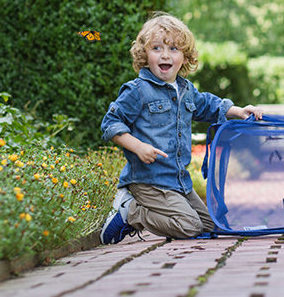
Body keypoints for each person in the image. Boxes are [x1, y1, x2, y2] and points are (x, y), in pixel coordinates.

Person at [99, 12, 263, 243]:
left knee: (211, 226)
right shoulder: (138, 90)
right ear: (144, 54)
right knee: (189, 226)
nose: (165, 55)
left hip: (178, 181)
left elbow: (208, 105)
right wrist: (138, 147)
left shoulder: (185, 89)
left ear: (185, 57)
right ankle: (131, 212)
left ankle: (146, 211)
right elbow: (110, 123)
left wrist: (238, 111)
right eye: (156, 48)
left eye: (173, 49)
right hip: (149, 181)